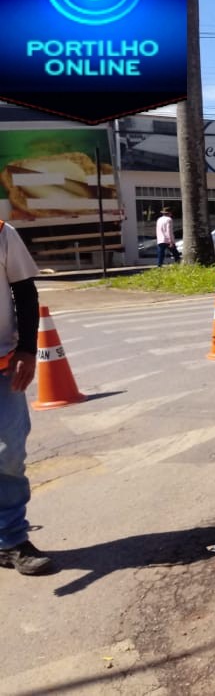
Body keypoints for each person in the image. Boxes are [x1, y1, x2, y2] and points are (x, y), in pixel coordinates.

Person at [0, 219, 52, 575]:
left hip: (3, 364)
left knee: (9, 453)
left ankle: (12, 539)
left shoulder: (2, 232)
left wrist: (28, 350)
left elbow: (24, 291)